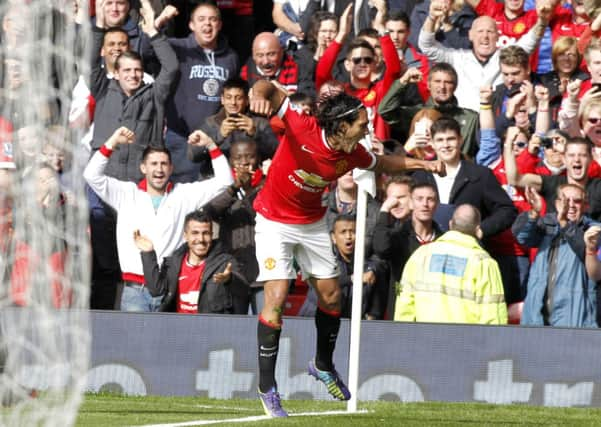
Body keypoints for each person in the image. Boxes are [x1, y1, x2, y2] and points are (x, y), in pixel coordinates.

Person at [248, 79, 444, 417]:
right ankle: (268, 388)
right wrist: (257, 95)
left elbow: (381, 164)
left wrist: (422, 165)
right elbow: (266, 86)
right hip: (274, 220)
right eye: (362, 124)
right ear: (342, 126)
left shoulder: (353, 152)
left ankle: (322, 364)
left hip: (311, 223)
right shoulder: (302, 124)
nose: (366, 129)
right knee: (277, 298)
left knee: (333, 296)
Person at [83, 127, 233, 312]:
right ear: (143, 167)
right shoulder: (126, 193)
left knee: (169, 342)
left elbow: (225, 180)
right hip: (134, 292)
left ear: (171, 168)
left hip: (169, 290)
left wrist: (210, 145)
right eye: (153, 164)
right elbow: (91, 175)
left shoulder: (183, 194)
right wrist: (112, 142)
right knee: (134, 341)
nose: (159, 169)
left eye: (163, 164)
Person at [418, 1, 552, 111]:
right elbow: (427, 46)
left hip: (496, 126)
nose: (485, 36)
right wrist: (431, 17)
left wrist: (542, 21)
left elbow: (531, 40)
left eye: (490, 31)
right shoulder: (456, 57)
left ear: (498, 36)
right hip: (463, 126)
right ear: (470, 35)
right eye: (480, 31)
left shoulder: (505, 58)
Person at [165, 1, 240, 183]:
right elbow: (145, 50)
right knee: (180, 196)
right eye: (201, 19)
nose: (207, 24)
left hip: (215, 138)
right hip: (182, 138)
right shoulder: (179, 48)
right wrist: (161, 21)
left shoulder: (231, 57)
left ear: (219, 25)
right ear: (191, 25)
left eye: (212, 19)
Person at [395, 204, 508, 324]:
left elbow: (404, 304)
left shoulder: (421, 254)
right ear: (478, 230)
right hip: (466, 340)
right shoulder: (484, 263)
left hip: (424, 339)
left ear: (450, 224)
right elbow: (494, 315)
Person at [411, 117, 518, 241]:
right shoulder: (420, 176)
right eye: (440, 140)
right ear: (432, 144)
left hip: (468, 249)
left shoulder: (480, 175)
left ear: (460, 140)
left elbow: (507, 210)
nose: (445, 145)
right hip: (427, 249)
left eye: (451, 139)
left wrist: (481, 230)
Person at [514, 184, 598, 327]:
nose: (570, 205)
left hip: (574, 319)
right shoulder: (546, 223)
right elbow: (522, 236)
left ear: (586, 206)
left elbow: (586, 252)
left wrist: (565, 224)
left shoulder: (593, 230)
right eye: (565, 200)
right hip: (537, 316)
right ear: (557, 203)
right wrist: (534, 212)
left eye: (576, 201)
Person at [134, 210, 247, 314]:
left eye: (206, 233)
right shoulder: (172, 262)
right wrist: (148, 253)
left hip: (211, 329)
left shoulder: (225, 262)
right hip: (178, 329)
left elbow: (243, 290)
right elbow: (156, 290)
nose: (201, 239)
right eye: (195, 233)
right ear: (185, 236)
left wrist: (230, 279)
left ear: (212, 235)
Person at [203, 138, 266, 314]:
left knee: (265, 327)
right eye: (239, 158)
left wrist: (249, 191)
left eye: (250, 157)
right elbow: (208, 213)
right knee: (236, 330)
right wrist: (235, 187)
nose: (245, 162)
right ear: (231, 162)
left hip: (264, 274)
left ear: (258, 160)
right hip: (234, 273)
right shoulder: (225, 188)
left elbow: (262, 214)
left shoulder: (268, 186)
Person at [378, 62, 480, 158]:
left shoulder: (471, 118)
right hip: (422, 172)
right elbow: (385, 110)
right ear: (428, 84)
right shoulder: (416, 113)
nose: (442, 86)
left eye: (448, 82)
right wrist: (403, 81)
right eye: (437, 81)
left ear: (455, 86)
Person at [373, 181, 443, 318]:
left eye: (430, 199)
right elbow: (381, 248)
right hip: (402, 311)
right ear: (411, 203)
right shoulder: (399, 236)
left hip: (434, 312)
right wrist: (384, 211)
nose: (425, 204)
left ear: (437, 205)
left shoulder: (444, 239)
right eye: (419, 199)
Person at [298, 214, 388, 319]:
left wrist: (372, 317)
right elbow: (324, 284)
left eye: (353, 232)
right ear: (333, 237)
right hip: (313, 321)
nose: (348, 236)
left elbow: (377, 306)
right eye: (343, 232)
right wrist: (352, 279)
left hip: (352, 327)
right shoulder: (322, 262)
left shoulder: (370, 268)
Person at [188, 77, 279, 179]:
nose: (233, 103)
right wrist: (219, 136)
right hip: (215, 181)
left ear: (247, 100)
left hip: (251, 182)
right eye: (228, 97)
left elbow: (276, 152)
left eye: (238, 98)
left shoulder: (259, 123)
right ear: (222, 100)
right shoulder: (210, 123)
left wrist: (255, 133)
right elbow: (193, 155)